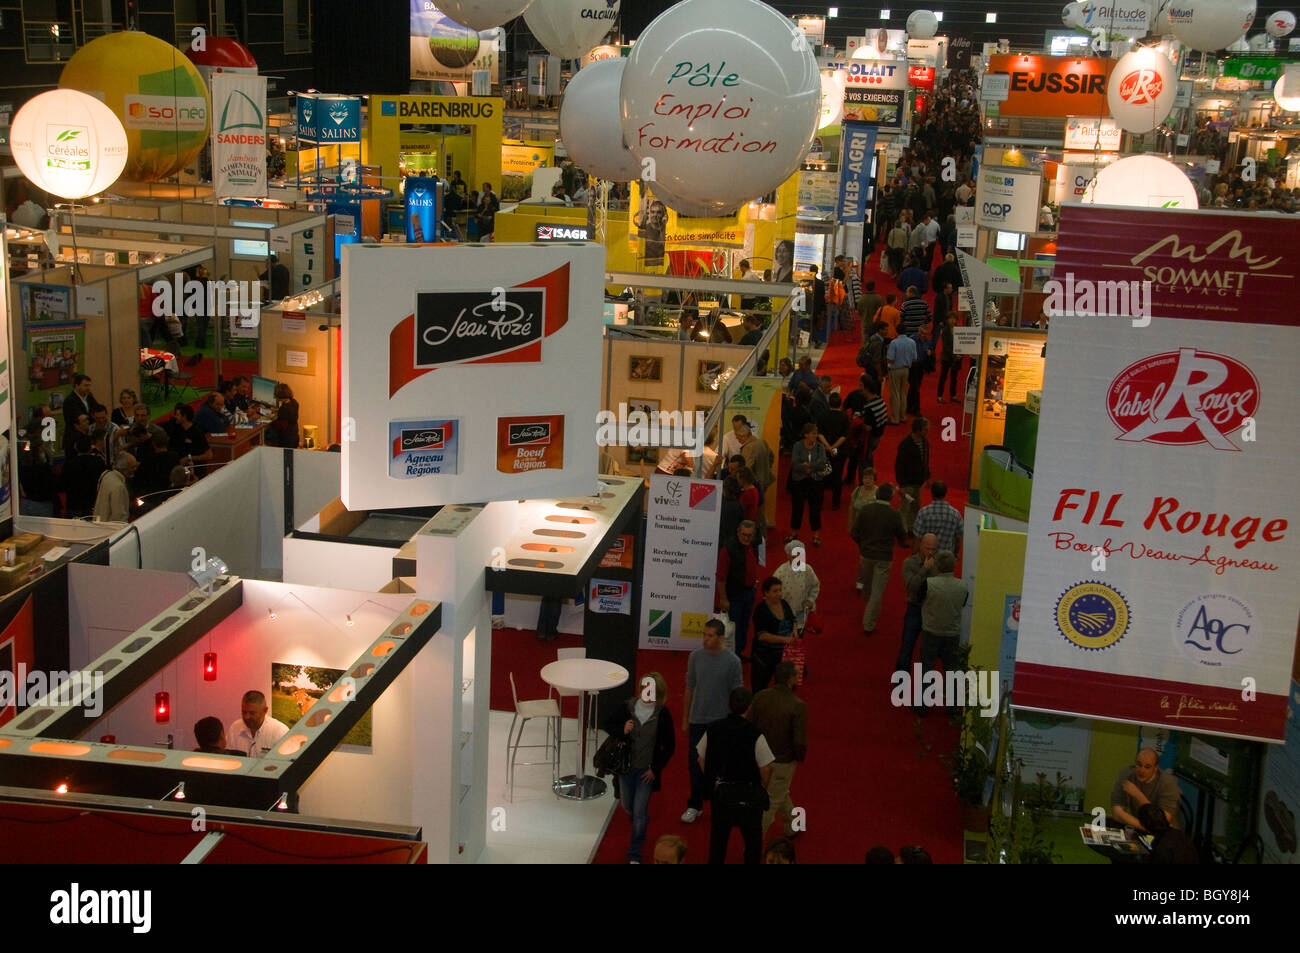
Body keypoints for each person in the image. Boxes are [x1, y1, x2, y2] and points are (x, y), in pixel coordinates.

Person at [605, 671, 676, 864]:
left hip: (646, 772)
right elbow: (607, 723)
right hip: (626, 768)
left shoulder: (663, 714)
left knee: (639, 813)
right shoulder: (627, 707)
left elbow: (669, 746)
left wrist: (655, 768)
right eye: (645, 689)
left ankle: (634, 853)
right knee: (627, 805)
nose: (647, 693)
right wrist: (622, 729)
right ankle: (639, 821)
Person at [699, 686, 775, 864]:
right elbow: (766, 769)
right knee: (752, 845)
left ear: (729, 705)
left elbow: (700, 759)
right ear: (749, 707)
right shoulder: (755, 734)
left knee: (718, 844)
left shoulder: (713, 729)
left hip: (722, 797)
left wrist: (714, 780)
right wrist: (761, 787)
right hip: (749, 798)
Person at [681, 619, 744, 825]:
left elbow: (737, 695)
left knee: (721, 767)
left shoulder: (733, 662)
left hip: (721, 723)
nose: (705, 639)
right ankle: (695, 805)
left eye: (710, 636)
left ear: (720, 637)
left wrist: (737, 724)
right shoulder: (695, 657)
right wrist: (685, 719)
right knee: (694, 765)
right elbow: (689, 688)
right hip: (698, 719)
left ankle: (720, 805)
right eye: (704, 635)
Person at [750, 661, 807, 840]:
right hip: (783, 761)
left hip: (760, 758)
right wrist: (799, 757)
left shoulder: (760, 696)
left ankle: (792, 824)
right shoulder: (797, 705)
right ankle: (753, 847)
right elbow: (799, 740)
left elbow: (750, 725)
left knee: (779, 792)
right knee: (771, 802)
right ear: (790, 679)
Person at [917, 551, 968, 716]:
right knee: (952, 670)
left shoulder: (928, 583)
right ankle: (953, 709)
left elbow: (918, 598)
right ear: (954, 566)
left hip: (931, 631)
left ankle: (923, 705)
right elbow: (963, 603)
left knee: (927, 668)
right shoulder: (963, 586)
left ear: (937, 566)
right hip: (952, 633)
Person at [717, 521, 760, 660]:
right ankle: (729, 657)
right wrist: (723, 598)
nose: (746, 538)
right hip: (734, 596)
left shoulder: (752, 545)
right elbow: (721, 577)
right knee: (732, 629)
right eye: (744, 534)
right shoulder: (728, 549)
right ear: (738, 532)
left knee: (744, 626)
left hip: (749, 593)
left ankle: (738, 654)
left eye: (750, 535)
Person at [1111, 748, 1182, 831]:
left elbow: (1162, 822)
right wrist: (1146, 829)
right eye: (1139, 765)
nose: (1142, 770)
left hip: (1168, 832)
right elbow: (1117, 813)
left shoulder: (1168, 783)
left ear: (1156, 768)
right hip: (1142, 827)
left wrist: (1138, 795)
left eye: (1147, 767)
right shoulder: (1127, 774)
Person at [751, 576, 800, 692]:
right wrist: (785, 640)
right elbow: (762, 636)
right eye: (775, 591)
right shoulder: (761, 610)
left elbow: (793, 620)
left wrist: (794, 631)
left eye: (780, 590)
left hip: (783, 654)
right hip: (764, 656)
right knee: (760, 687)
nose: (779, 594)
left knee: (784, 686)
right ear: (766, 593)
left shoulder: (784, 604)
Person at [899, 533, 938, 675]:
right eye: (927, 548)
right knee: (907, 647)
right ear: (920, 545)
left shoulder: (938, 564)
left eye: (933, 549)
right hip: (915, 608)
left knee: (928, 651)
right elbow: (911, 586)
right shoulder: (909, 563)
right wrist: (925, 569)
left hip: (932, 610)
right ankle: (901, 680)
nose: (930, 552)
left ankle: (926, 684)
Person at [787, 423, 828, 547]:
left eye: (816, 433)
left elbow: (823, 464)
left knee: (815, 509)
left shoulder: (820, 447)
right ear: (806, 434)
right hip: (799, 481)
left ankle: (816, 535)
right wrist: (809, 467)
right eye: (813, 433)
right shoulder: (797, 446)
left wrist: (807, 465)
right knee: (797, 508)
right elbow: (794, 463)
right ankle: (794, 533)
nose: (815, 436)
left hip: (815, 482)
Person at [772, 539, 820, 630]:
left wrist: (810, 600)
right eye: (794, 557)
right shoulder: (780, 573)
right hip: (785, 613)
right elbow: (773, 592)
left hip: (801, 612)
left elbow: (815, 586)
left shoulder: (807, 570)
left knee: (799, 634)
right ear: (788, 556)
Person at [228, 690, 290, 759]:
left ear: (265, 710)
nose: (247, 717)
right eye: (244, 712)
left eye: (252, 713)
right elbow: (229, 760)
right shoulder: (234, 728)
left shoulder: (280, 732)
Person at [894, 417, 930, 532]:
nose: (927, 432)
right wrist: (902, 485)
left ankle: (910, 528)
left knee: (915, 506)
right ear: (918, 430)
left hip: (918, 482)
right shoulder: (905, 445)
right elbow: (899, 466)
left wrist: (927, 476)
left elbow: (925, 460)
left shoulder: (925, 442)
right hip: (907, 483)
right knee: (905, 508)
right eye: (925, 429)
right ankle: (902, 531)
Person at [815, 392, 850, 510]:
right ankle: (836, 503)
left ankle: (819, 501)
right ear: (840, 404)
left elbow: (819, 433)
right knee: (837, 476)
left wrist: (828, 446)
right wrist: (834, 447)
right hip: (839, 451)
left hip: (824, 450)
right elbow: (844, 436)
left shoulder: (822, 415)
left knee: (822, 475)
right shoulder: (844, 417)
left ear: (829, 403)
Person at [913, 480, 963, 559]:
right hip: (946, 558)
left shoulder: (923, 512)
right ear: (945, 493)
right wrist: (955, 553)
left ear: (932, 494)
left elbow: (918, 539)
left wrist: (914, 556)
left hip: (927, 558)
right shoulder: (956, 514)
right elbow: (958, 539)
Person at [60, 434, 106, 518]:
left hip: (74, 505)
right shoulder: (98, 462)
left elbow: (62, 485)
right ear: (90, 447)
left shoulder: (69, 465)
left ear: (76, 447)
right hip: (93, 504)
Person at [92, 452, 138, 522]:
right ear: (123, 468)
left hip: (99, 523)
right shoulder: (119, 486)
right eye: (132, 467)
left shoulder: (106, 475)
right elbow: (119, 517)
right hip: (110, 528)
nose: (135, 469)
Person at [166, 404, 213, 469]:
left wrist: (188, 458)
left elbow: (209, 455)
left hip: (195, 468)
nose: (175, 417)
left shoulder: (197, 432)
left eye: (177, 415)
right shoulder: (176, 428)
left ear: (184, 416)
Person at [886, 328, 917, 425]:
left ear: (897, 331)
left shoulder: (894, 343)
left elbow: (890, 358)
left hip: (895, 369)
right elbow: (915, 358)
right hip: (906, 369)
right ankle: (903, 416)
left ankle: (895, 418)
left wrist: (888, 368)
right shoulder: (912, 342)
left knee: (895, 394)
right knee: (903, 393)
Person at [62, 374, 97, 456]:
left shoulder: (89, 397)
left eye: (89, 385)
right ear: (77, 385)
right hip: (74, 439)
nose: (88, 388)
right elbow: (77, 419)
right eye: (85, 385)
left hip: (86, 436)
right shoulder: (70, 401)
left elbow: (96, 410)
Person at [265, 382, 300, 448]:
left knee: (267, 433)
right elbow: (288, 417)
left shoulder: (283, 409)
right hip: (294, 436)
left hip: (286, 441)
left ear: (280, 396)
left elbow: (281, 426)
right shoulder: (294, 402)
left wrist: (270, 421)